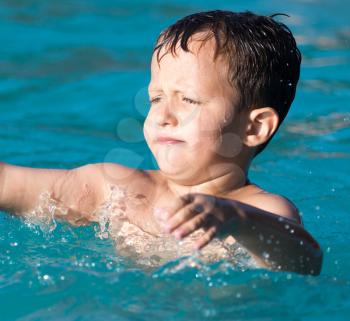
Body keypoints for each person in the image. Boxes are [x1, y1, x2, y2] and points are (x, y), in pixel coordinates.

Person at [0, 10, 323, 275]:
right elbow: (9, 185)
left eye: (189, 100)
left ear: (254, 128)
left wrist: (238, 220)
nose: (163, 115)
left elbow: (304, 261)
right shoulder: (113, 189)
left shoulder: (260, 211)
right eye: (156, 98)